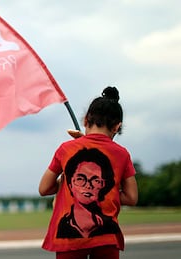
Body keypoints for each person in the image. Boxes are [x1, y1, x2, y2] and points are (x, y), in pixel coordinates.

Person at [38, 86, 138, 259]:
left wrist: (67, 183)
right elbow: (131, 197)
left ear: (85, 120)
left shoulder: (66, 149)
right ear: (117, 127)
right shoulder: (122, 154)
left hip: (68, 240)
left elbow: (44, 189)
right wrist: (107, 192)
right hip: (107, 236)